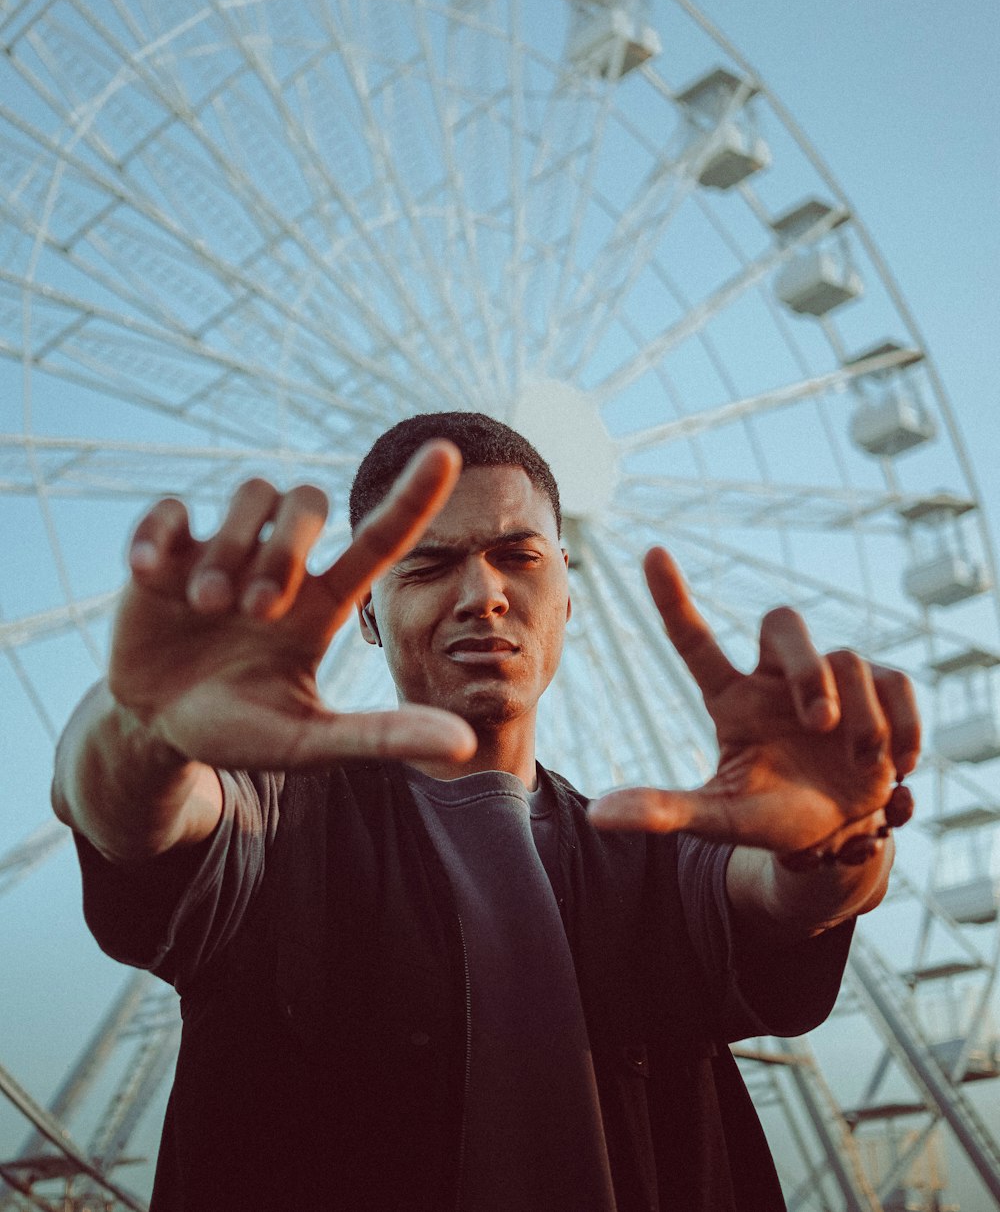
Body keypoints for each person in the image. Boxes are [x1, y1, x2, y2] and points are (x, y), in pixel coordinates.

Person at [53, 411, 919, 1212]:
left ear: (569, 591)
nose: (483, 594)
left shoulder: (647, 853)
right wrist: (141, 723)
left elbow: (787, 894)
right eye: (427, 565)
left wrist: (841, 840)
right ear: (366, 611)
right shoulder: (273, 835)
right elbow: (123, 812)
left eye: (519, 556)